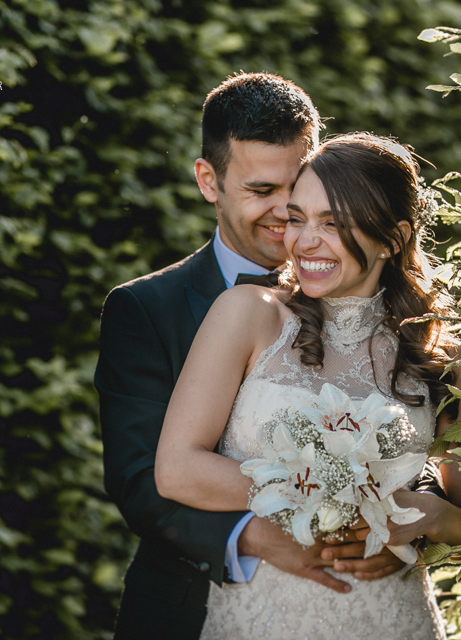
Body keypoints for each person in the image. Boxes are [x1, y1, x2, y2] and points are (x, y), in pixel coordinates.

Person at [95, 74, 405, 640]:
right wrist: (252, 535)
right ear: (209, 181)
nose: (286, 211)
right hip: (195, 604)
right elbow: (138, 478)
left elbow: (416, 429)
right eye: (262, 191)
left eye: (299, 186)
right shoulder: (146, 308)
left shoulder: (372, 298)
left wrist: (414, 512)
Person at [155, 132, 461, 639]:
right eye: (297, 218)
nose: (304, 240)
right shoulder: (248, 315)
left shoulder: (443, 354)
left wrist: (434, 519)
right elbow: (177, 469)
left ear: (393, 238)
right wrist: (323, 496)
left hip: (391, 619)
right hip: (261, 619)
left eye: (332, 224)